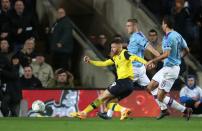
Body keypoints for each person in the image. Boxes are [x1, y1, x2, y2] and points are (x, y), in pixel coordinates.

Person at [98, 19, 168, 120]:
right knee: (151, 89)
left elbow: (149, 47)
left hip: (133, 69)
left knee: (116, 90)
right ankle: (165, 108)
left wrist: (160, 57)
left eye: (129, 26)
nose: (127, 28)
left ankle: (108, 113)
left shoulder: (138, 37)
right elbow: (136, 52)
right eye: (126, 26)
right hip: (139, 69)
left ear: (135, 26)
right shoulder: (136, 36)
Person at [70, 39, 149, 120]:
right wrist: (90, 61)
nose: (112, 49)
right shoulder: (115, 57)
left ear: (119, 47)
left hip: (123, 82)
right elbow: (103, 63)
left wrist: (146, 63)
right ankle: (123, 110)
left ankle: (84, 113)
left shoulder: (124, 53)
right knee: (109, 103)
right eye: (111, 47)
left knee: (102, 97)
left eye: (114, 47)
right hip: (129, 86)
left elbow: (135, 57)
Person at [146, 16, 192, 120]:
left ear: (165, 25)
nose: (162, 25)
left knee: (160, 97)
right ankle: (164, 110)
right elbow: (187, 50)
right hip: (167, 68)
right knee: (149, 87)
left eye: (162, 23)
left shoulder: (168, 37)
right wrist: (178, 58)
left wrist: (153, 60)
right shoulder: (178, 35)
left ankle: (185, 110)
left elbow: (166, 54)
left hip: (171, 70)